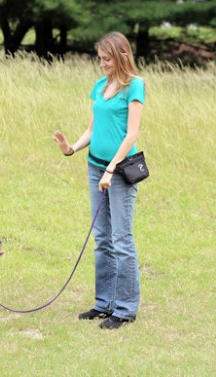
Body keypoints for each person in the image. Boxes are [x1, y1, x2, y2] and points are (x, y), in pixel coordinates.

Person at [54, 31, 145, 329]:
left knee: (121, 239)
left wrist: (111, 169)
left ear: (120, 56)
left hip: (119, 171)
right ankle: (104, 303)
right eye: (100, 59)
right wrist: (71, 149)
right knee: (102, 238)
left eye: (107, 59)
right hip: (96, 167)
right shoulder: (99, 86)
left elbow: (131, 133)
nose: (102, 64)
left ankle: (125, 308)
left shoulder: (135, 86)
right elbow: (93, 130)